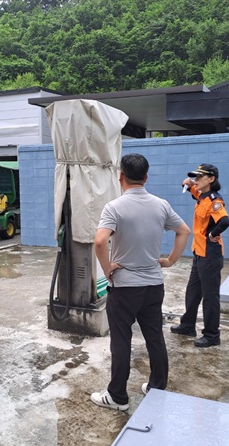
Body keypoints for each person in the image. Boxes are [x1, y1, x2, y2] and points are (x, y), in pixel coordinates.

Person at [91, 153, 191, 411]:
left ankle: (117, 397)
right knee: (154, 336)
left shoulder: (114, 207)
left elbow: (100, 241)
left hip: (125, 287)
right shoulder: (161, 205)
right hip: (153, 285)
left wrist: (107, 268)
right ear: (146, 178)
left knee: (121, 341)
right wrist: (170, 260)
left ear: (120, 176)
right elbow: (184, 231)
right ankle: (157, 386)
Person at [171, 163, 229, 348]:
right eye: (195, 177)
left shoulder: (214, 200)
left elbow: (224, 221)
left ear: (211, 179)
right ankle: (188, 325)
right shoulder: (202, 196)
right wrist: (189, 184)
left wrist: (212, 234)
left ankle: (212, 335)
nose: (196, 180)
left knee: (210, 296)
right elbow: (193, 191)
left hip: (210, 255)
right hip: (198, 252)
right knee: (192, 292)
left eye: (200, 177)